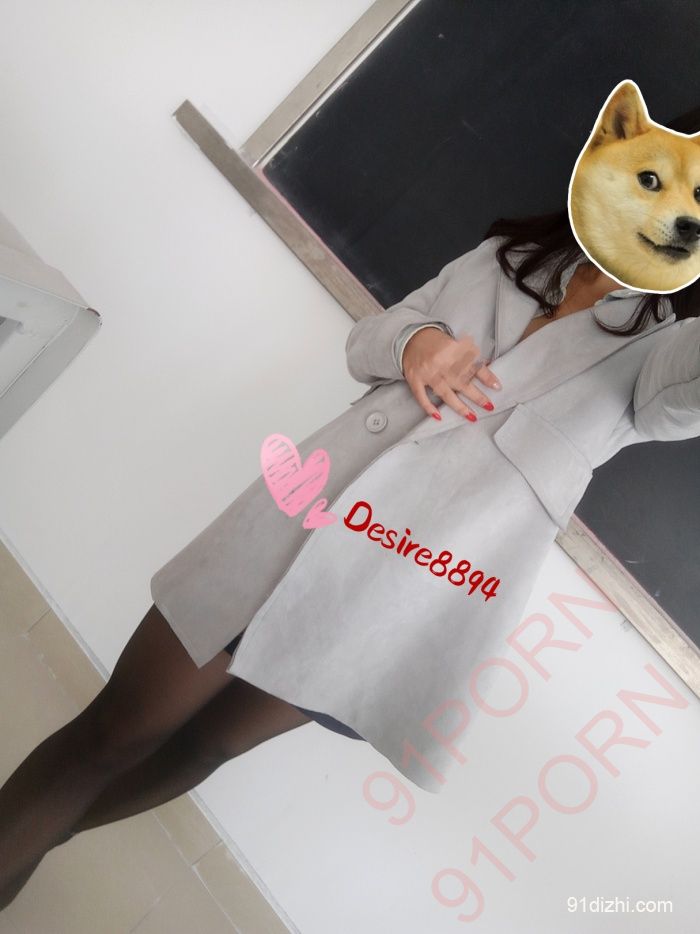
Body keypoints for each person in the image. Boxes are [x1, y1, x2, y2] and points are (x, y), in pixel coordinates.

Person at [1, 107, 699, 908]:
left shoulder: (661, 354)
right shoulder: (504, 260)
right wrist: (415, 344)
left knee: (205, 748)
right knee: (117, 731)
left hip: (393, 591)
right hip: (301, 524)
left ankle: (34, 837)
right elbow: (371, 338)